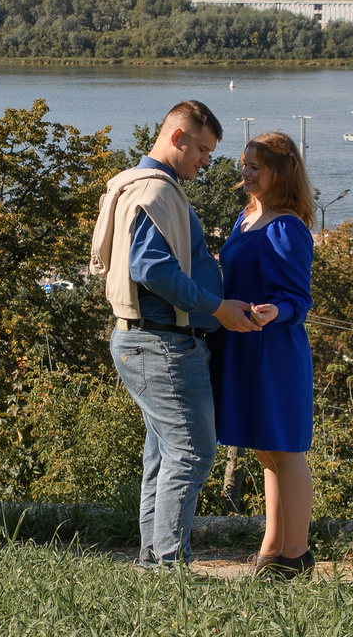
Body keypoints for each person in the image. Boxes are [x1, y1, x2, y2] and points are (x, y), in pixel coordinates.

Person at [88, 101, 263, 568]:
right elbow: (151, 270)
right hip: (162, 344)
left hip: (143, 341)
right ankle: (167, 565)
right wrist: (216, 307)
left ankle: (154, 560)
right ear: (178, 137)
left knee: (164, 454)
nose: (206, 160)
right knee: (192, 452)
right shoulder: (157, 192)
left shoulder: (131, 185)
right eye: (203, 149)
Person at [210, 131, 318, 579]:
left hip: (273, 350)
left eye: (255, 166)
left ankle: (296, 555)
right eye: (244, 165)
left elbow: (299, 299)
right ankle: (272, 549)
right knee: (264, 451)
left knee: (285, 449)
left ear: (280, 171)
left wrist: (278, 310)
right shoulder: (247, 216)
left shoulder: (286, 225)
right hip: (241, 344)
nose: (246, 173)